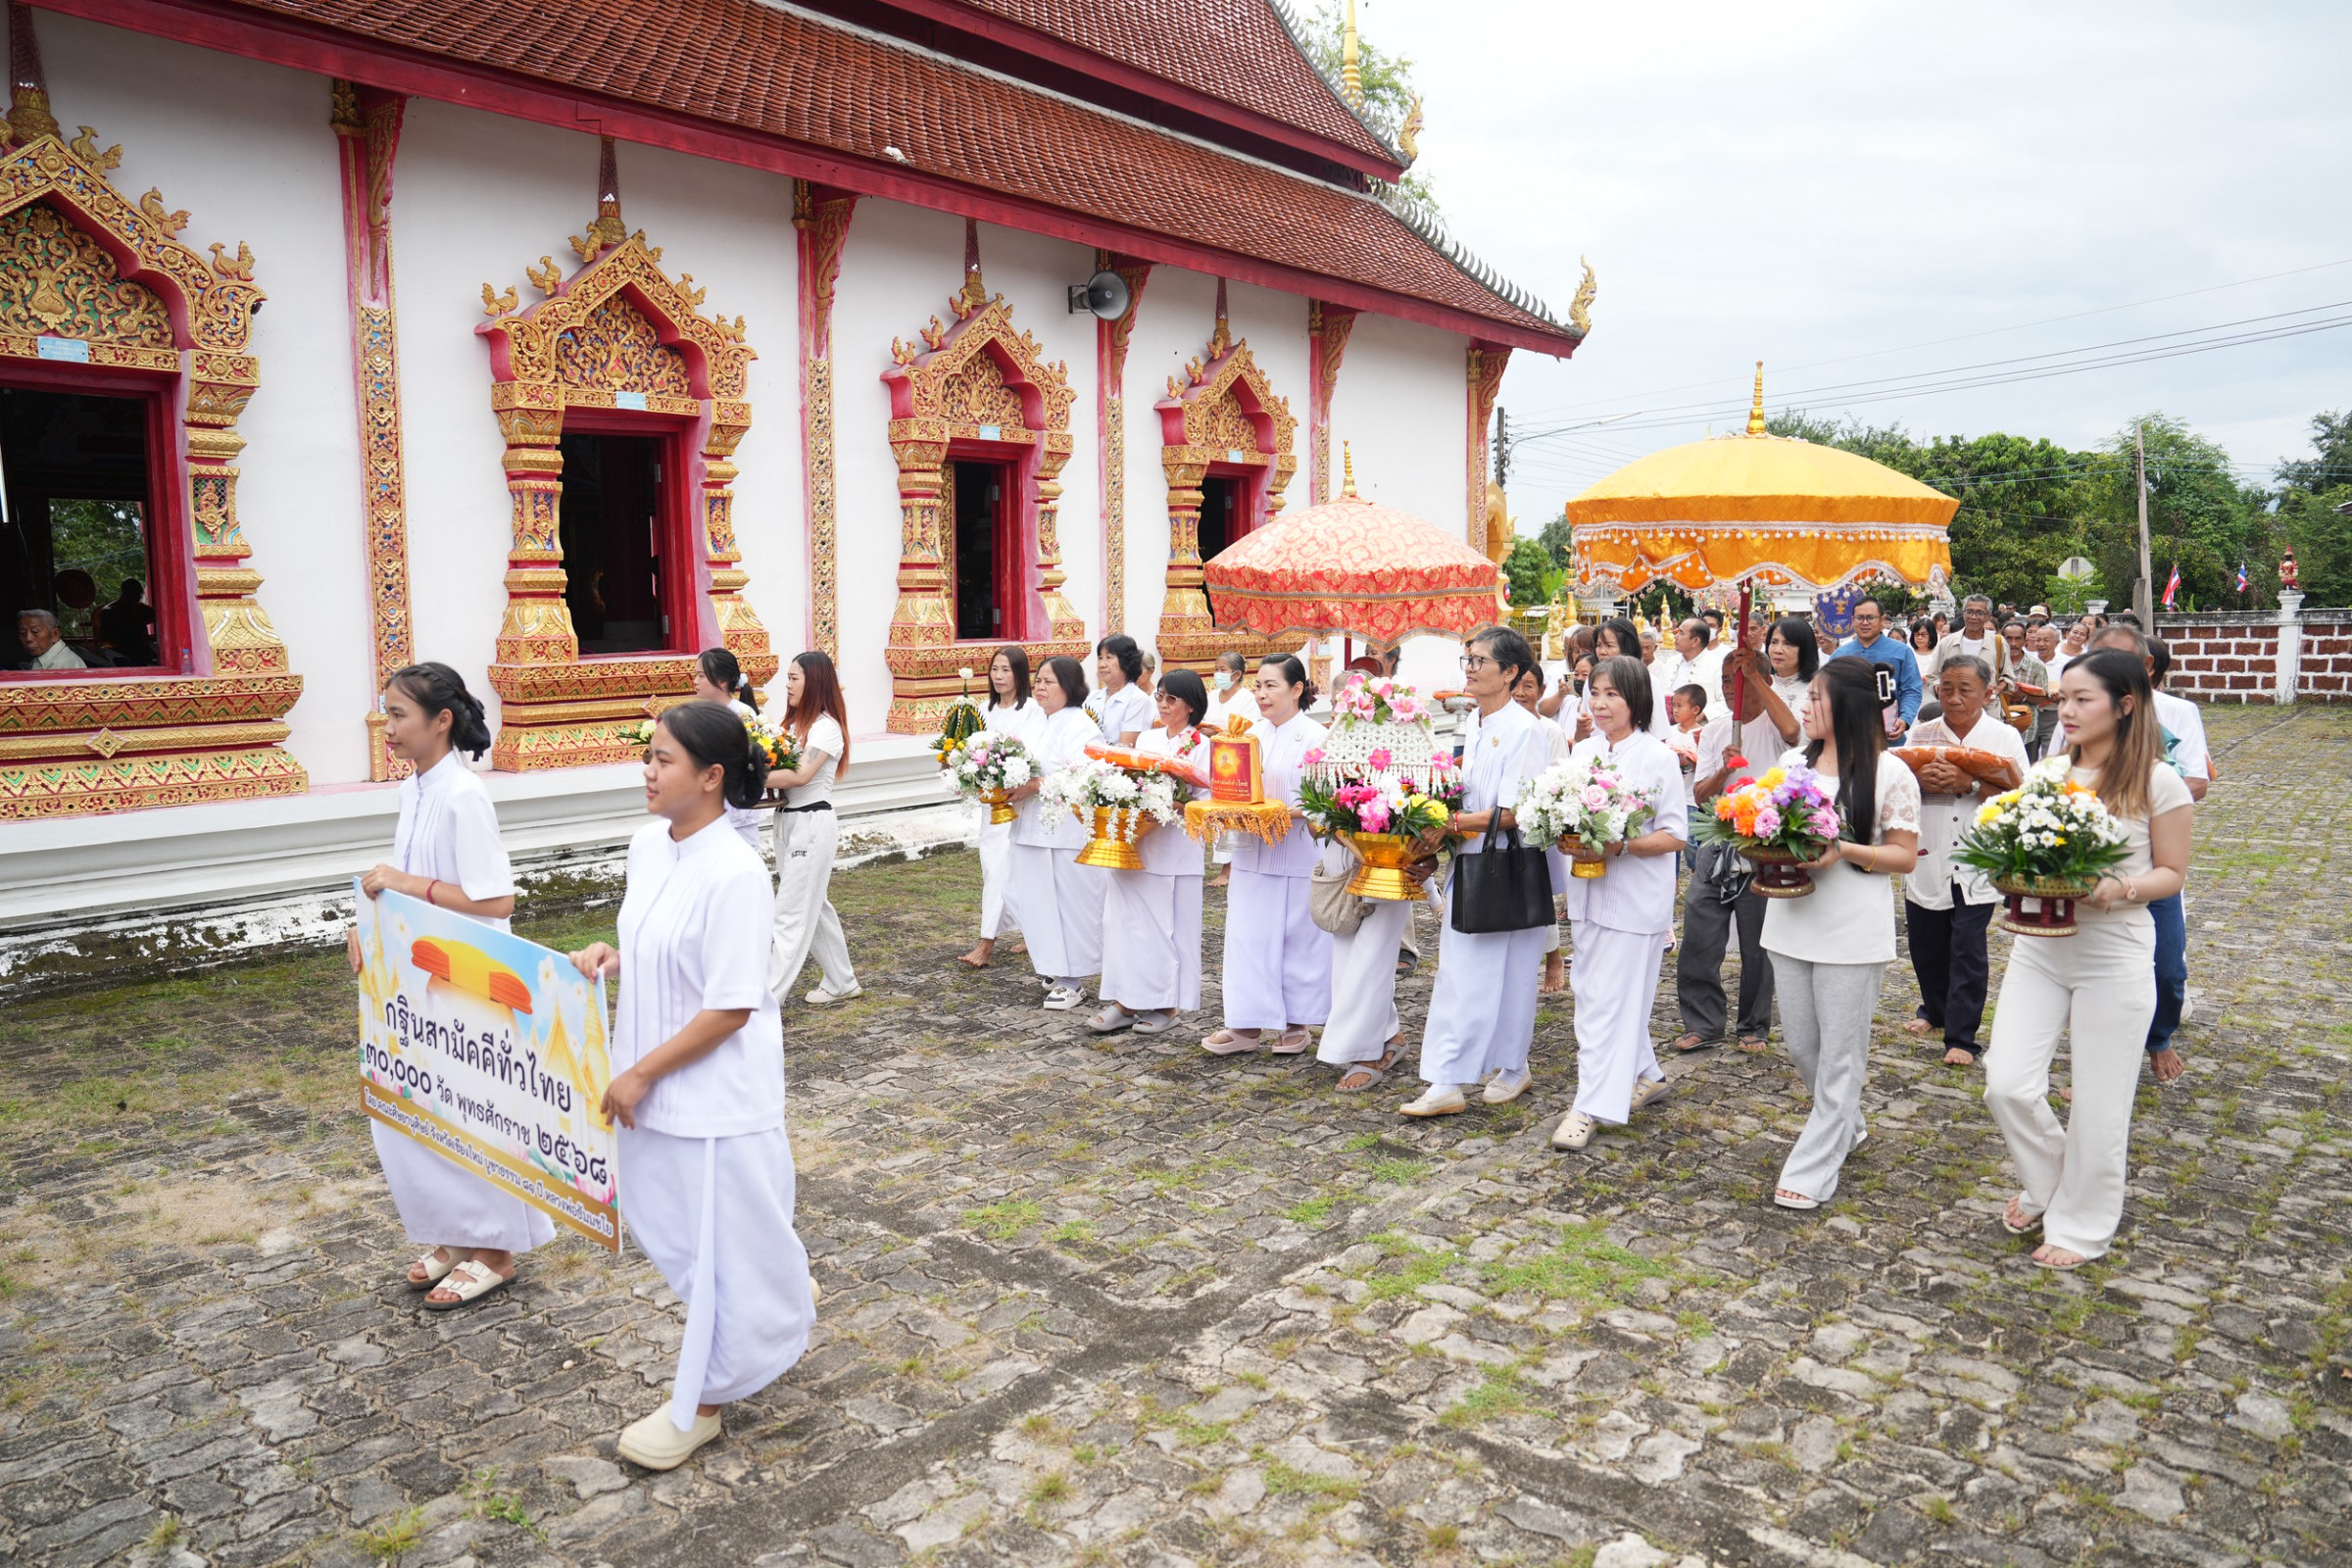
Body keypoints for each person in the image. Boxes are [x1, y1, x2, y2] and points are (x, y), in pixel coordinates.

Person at [568, 702, 812, 1469]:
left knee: (716, 1253)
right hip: (647, 1079)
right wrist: (613, 955)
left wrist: (641, 1072)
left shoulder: (737, 871)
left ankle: (700, 1402)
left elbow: (732, 1004)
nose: (647, 770)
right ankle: (775, 1302)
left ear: (711, 778)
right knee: (674, 1233)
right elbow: (658, 937)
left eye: (664, 759)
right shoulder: (650, 846)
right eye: (649, 755)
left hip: (711, 1094)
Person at [349, 662, 552, 1308]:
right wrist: (369, 928)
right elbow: (401, 878)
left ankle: (495, 1249)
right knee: (419, 1109)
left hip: (470, 979)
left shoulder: (465, 795)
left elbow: (494, 900)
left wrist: (400, 885)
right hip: (419, 973)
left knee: (475, 1112)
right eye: (385, 711)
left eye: (400, 714)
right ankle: (453, 1233)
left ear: (441, 721)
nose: (389, 725)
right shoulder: (416, 790)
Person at [1983, 650, 2191, 1267]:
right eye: (2063, 698)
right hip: (2041, 946)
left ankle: (2083, 1224)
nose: (2065, 710)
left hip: (2116, 951)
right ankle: (2052, 1183)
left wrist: (2119, 888)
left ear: (2125, 705)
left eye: (2082, 700)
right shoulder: (2047, 771)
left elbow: (2172, 874)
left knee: (2101, 1103)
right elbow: (2021, 847)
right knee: (2007, 1084)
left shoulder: (2158, 780)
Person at [1761, 657, 1921, 1209]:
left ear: (1847, 707)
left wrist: (1843, 850)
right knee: (1804, 1046)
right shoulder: (1791, 764)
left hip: (1852, 930)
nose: (1803, 708)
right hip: (1789, 921)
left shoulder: (1890, 772)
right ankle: (1846, 1125)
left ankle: (1812, 1168)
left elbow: (1903, 856)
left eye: (1815, 700)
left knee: (1840, 1056)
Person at [1402, 626, 1551, 1117]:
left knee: (1502, 975)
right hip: (1470, 861)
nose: (1469, 668)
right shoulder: (1478, 723)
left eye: (1479, 660)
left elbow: (1516, 812)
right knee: (1465, 974)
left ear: (1510, 673)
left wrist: (1445, 822)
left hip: (1503, 862)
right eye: (1466, 659)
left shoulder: (1525, 729)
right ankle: (1458, 1076)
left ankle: (1502, 1069)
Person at [1550, 657, 1690, 1151]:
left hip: (1636, 898)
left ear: (1636, 700)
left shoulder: (1657, 756)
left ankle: (1590, 1106)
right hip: (1589, 893)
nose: (1601, 703)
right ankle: (1647, 1074)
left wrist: (1621, 845)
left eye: (1612, 694)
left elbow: (1675, 833)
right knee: (1592, 992)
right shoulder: (1582, 751)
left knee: (1608, 1004)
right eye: (1595, 692)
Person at [1672, 617, 1811, 1054]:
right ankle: (1703, 1021)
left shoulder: (1777, 719)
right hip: (1719, 837)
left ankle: (1753, 1025)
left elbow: (1792, 734)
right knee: (1700, 933)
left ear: (1761, 679)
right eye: (1727, 680)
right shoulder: (1714, 730)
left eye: (1740, 679)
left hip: (1764, 840)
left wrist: (1753, 673)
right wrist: (1721, 770)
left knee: (1757, 943)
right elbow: (1698, 793)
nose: (1733, 687)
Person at [2090, 626, 2206, 1086]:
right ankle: (2097, 1064)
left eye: (2117, 662)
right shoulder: (2078, 715)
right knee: (2096, 968)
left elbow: (2196, 780)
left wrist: (2144, 795)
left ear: (2147, 667)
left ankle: (2159, 1037)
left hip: (2152, 858)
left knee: (2167, 966)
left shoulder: (2177, 712)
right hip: (2091, 863)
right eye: (2095, 662)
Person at [1201, 655, 1331, 1055]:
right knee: (1247, 938)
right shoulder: (1245, 735)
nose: (1261, 694)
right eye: (1258, 686)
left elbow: (1325, 802)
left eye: (1271, 686)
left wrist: (1279, 812)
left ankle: (1296, 1022)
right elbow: (1225, 786)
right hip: (1250, 854)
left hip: (1296, 853)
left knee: (1298, 941)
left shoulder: (1316, 737)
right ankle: (1244, 1026)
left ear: (1296, 690)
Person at [1901, 657, 2027, 1066]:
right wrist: (1917, 780)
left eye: (1964, 690)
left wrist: (1970, 784)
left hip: (1977, 856)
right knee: (1926, 945)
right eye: (1946, 688)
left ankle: (1962, 1037)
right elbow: (1898, 788)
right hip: (1928, 849)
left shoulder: (2004, 738)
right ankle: (1933, 1011)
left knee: (1967, 948)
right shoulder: (1921, 735)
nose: (1953, 698)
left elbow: (2022, 798)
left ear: (1988, 693)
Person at [1092, 669, 1211, 1036]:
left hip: (1174, 851)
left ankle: (1166, 1005)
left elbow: (1207, 802)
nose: (1161, 703)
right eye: (1159, 695)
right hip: (1135, 844)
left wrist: (1169, 804)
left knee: (1166, 931)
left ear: (1190, 705)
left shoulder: (1203, 746)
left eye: (1171, 698)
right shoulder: (1146, 737)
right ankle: (1124, 1000)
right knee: (1123, 926)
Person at [1003, 656, 1107, 1010]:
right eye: (1038, 681)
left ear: (1070, 686)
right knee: (1027, 900)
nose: (1040, 687)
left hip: (1064, 832)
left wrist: (1037, 785)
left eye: (1049, 681)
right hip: (1027, 827)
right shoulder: (1036, 722)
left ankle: (1072, 980)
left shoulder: (1081, 726)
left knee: (1068, 907)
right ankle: (1051, 965)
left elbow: (1087, 776)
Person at [765, 651, 859, 1006]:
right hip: (786, 821)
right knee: (813, 905)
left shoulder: (826, 728)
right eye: (787, 678)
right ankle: (841, 980)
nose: (787, 685)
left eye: (794, 678)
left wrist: (742, 776)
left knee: (789, 912)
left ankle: (765, 1000)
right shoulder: (789, 726)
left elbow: (800, 775)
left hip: (812, 823)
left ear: (814, 681)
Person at [961, 645, 1042, 970]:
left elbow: (1033, 755)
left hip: (1018, 802)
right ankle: (1033, 931)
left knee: (1007, 869)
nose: (998, 676)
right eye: (994, 669)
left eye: (1006, 669)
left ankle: (986, 943)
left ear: (1020, 674)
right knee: (994, 867)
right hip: (989, 803)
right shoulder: (983, 709)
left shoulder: (1032, 710)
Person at [1514, 665, 1574, 994]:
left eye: (1530, 685)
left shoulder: (1549, 730)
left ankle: (1553, 956)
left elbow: (1558, 778)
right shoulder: (1501, 727)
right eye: (1517, 686)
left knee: (1541, 894)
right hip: (1506, 820)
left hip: (1539, 823)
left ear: (1542, 688)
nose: (1522, 693)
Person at [693, 648, 766, 852]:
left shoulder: (742, 714)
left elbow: (747, 760)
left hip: (736, 805)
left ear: (722, 681)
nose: (695, 681)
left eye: (701, 676)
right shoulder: (699, 714)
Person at [1202, 651, 1259, 889]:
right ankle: (1223, 865)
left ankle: (1230, 868)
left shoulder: (1247, 699)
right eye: (1216, 668)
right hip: (1212, 760)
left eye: (1223, 669)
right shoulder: (1213, 695)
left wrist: (1218, 732)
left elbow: (1250, 730)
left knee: (1232, 816)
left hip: (1236, 764)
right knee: (1217, 815)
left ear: (1237, 674)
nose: (1218, 674)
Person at [1833, 596, 1922, 732]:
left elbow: (1911, 690)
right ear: (1852, 621)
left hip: (1889, 734)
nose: (1865, 622)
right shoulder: (1839, 655)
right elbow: (1830, 694)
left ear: (1882, 620)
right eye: (1860, 618)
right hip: (1849, 735)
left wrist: (1905, 718)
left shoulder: (1901, 651)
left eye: (1871, 617)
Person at [1654, 618, 1728, 721]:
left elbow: (1727, 701)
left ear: (1695, 641)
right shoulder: (1671, 662)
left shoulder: (1716, 665)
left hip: (1701, 729)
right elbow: (1659, 692)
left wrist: (1704, 714)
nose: (1675, 637)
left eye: (1681, 633)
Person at [1089, 634, 1151, 748]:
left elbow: (1125, 748)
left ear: (1126, 662)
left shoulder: (1137, 699)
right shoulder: (1091, 697)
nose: (1102, 664)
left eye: (1108, 657)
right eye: (1100, 658)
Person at [1928, 595, 1999, 681]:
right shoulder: (1947, 643)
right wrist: (1942, 690)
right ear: (1963, 614)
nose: (1973, 617)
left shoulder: (1997, 643)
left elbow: (2007, 676)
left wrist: (1995, 690)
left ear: (1988, 617)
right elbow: (1932, 676)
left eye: (1980, 613)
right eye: (1969, 612)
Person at [96, 578, 156, 664]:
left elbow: (155, 616)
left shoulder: (139, 609)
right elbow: (106, 638)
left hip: (142, 652)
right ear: (126, 592)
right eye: (137, 593)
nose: (139, 597)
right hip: (121, 653)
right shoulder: (109, 611)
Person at [17, 608, 85, 669]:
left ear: (55, 634)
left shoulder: (68, 664)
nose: (28, 639)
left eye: (35, 632)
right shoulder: (44, 659)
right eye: (23, 633)